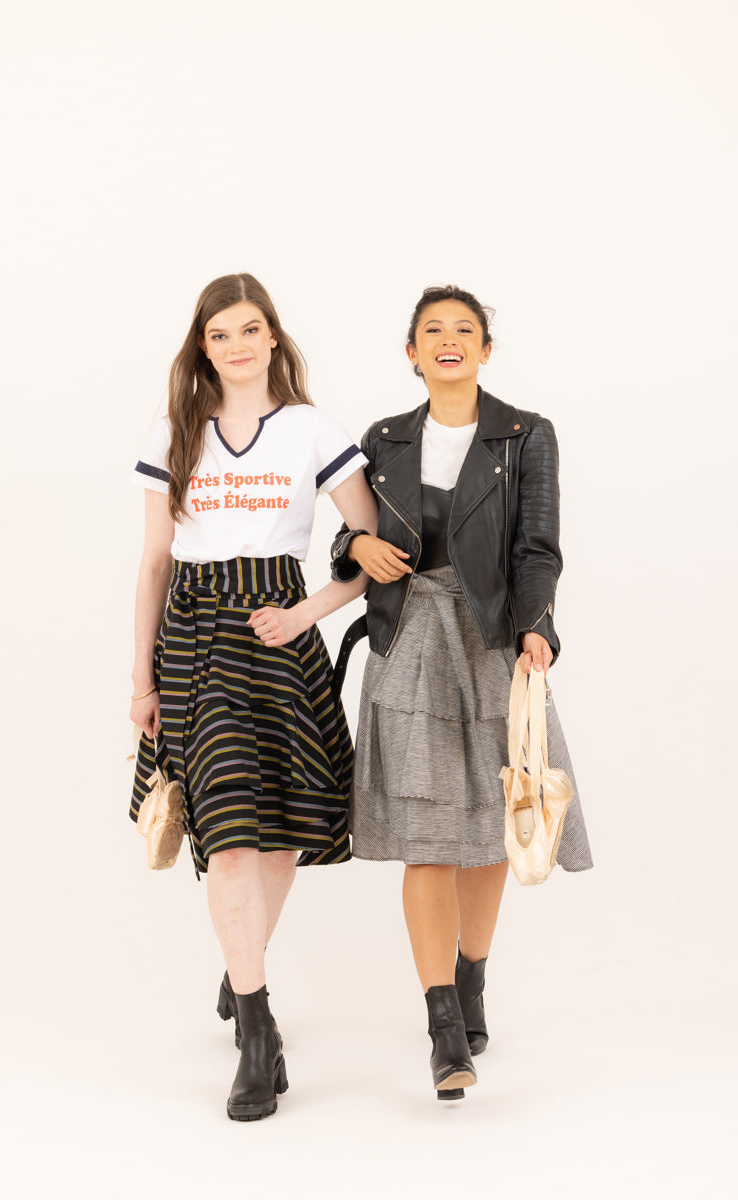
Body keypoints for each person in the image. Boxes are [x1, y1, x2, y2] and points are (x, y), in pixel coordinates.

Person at [331, 285, 593, 1101]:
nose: (449, 341)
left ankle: (471, 975)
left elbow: (538, 544)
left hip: (492, 638)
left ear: (486, 349)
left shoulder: (526, 435)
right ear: (411, 353)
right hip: (408, 638)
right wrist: (358, 543)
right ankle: (445, 1022)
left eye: (464, 331)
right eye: (432, 332)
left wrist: (537, 627)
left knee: (490, 824)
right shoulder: (383, 438)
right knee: (426, 833)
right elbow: (351, 532)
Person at [129, 273, 378, 1122]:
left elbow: (372, 543)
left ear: (273, 336)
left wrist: (307, 611)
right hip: (196, 636)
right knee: (229, 830)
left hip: (279, 631)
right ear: (204, 346)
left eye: (249, 329)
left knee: (281, 831)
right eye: (218, 334)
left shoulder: (311, 429)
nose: (235, 345)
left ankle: (242, 968)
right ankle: (258, 1029)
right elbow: (156, 563)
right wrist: (140, 680)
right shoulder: (177, 434)